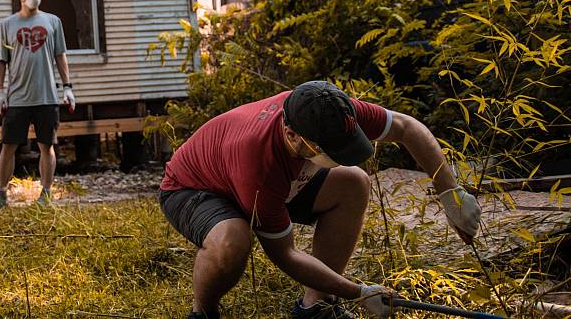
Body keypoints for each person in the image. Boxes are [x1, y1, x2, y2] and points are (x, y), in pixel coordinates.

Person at [159, 80, 483, 319]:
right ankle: (203, 312)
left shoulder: (330, 109)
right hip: (194, 189)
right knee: (233, 239)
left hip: (276, 182)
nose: (337, 157)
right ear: (292, 136)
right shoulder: (258, 163)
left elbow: (405, 126)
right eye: (325, 151)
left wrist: (450, 192)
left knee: (353, 182)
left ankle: (316, 307)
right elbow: (286, 254)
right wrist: (357, 293)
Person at [0, 0, 75, 209]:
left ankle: (46, 194)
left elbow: (60, 55)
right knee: (8, 146)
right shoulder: (7, 25)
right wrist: (0, 91)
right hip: (17, 97)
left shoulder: (53, 22)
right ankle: (1, 195)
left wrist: (68, 88)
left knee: (46, 146)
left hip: (46, 97)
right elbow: (1, 59)